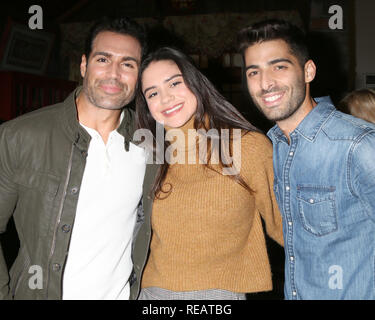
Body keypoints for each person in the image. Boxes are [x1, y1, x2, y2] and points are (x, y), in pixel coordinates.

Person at [0, 17, 153, 300]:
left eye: (128, 64)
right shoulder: (19, 136)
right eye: (103, 60)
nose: (114, 74)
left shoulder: (152, 146)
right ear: (84, 65)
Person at [238, 19, 375, 299]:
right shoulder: (273, 146)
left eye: (279, 66)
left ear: (308, 71)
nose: (266, 83)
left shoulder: (357, 144)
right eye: (254, 72)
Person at [134, 46, 283, 300]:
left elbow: (285, 226)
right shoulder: (147, 154)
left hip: (216, 295)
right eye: (153, 93)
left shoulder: (246, 147)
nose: (166, 98)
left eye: (174, 83)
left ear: (195, 83)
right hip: (150, 293)